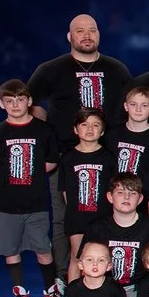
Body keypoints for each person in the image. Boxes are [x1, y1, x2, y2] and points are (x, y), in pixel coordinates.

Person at [0, 79, 62, 297]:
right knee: (11, 250)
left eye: (20, 99)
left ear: (29, 101)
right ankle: (20, 294)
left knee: (43, 248)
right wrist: (14, 176)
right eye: (10, 101)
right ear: (2, 104)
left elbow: (52, 161)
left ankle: (51, 290)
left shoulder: (44, 130)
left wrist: (30, 173)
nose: (15, 105)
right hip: (5, 204)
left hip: (35, 202)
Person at [27, 14, 135, 133]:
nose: (87, 36)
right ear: (69, 37)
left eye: (92, 31)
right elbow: (26, 102)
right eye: (80, 31)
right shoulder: (49, 69)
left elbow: (134, 103)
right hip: (64, 144)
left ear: (98, 35)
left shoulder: (118, 69)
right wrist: (48, 125)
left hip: (108, 143)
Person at [55, 110, 113, 279]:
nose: (89, 129)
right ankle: (73, 293)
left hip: (103, 216)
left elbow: (114, 191)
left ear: (102, 131)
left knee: (103, 257)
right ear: (75, 129)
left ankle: (104, 293)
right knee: (77, 256)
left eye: (95, 125)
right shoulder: (67, 158)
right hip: (77, 217)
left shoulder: (109, 158)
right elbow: (65, 192)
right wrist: (75, 212)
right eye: (84, 124)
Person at [83, 175, 149, 288]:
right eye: (120, 192)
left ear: (140, 199)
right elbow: (85, 265)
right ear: (110, 197)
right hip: (104, 287)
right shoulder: (96, 227)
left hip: (141, 289)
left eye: (133, 193)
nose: (127, 197)